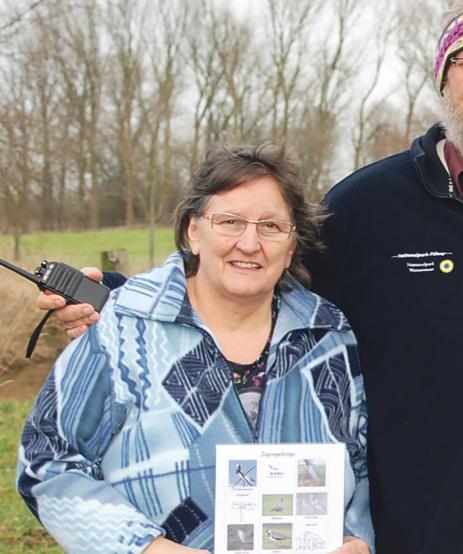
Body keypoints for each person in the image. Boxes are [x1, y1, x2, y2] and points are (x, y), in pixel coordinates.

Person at [38, 2, 463, 552]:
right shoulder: (364, 207)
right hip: (407, 534)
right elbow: (250, 278)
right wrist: (121, 301)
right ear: (444, 79)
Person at [19, 143, 373, 554]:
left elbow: (360, 461)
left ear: (292, 245)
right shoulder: (125, 325)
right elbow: (48, 462)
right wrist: (146, 548)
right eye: (229, 221)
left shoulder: (328, 333)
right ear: (193, 230)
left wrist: (359, 538)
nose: (249, 242)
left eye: (272, 227)